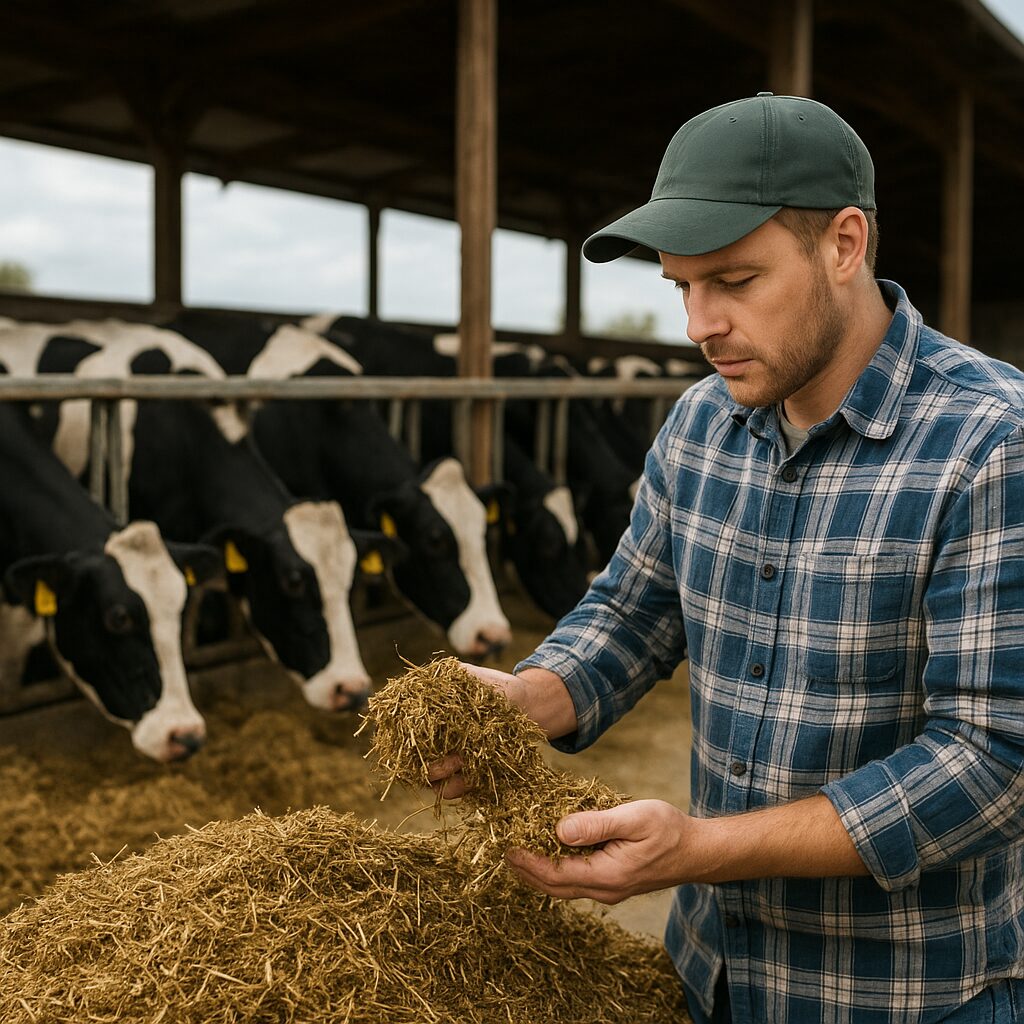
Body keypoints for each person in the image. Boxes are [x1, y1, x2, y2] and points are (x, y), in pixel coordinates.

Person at [429, 92, 1024, 1023]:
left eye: (736, 282)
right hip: (713, 976)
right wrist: (527, 700)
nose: (699, 324)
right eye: (681, 288)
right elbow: (634, 611)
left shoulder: (992, 443)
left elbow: (995, 761)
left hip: (906, 994)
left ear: (844, 244)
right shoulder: (704, 423)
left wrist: (698, 850)